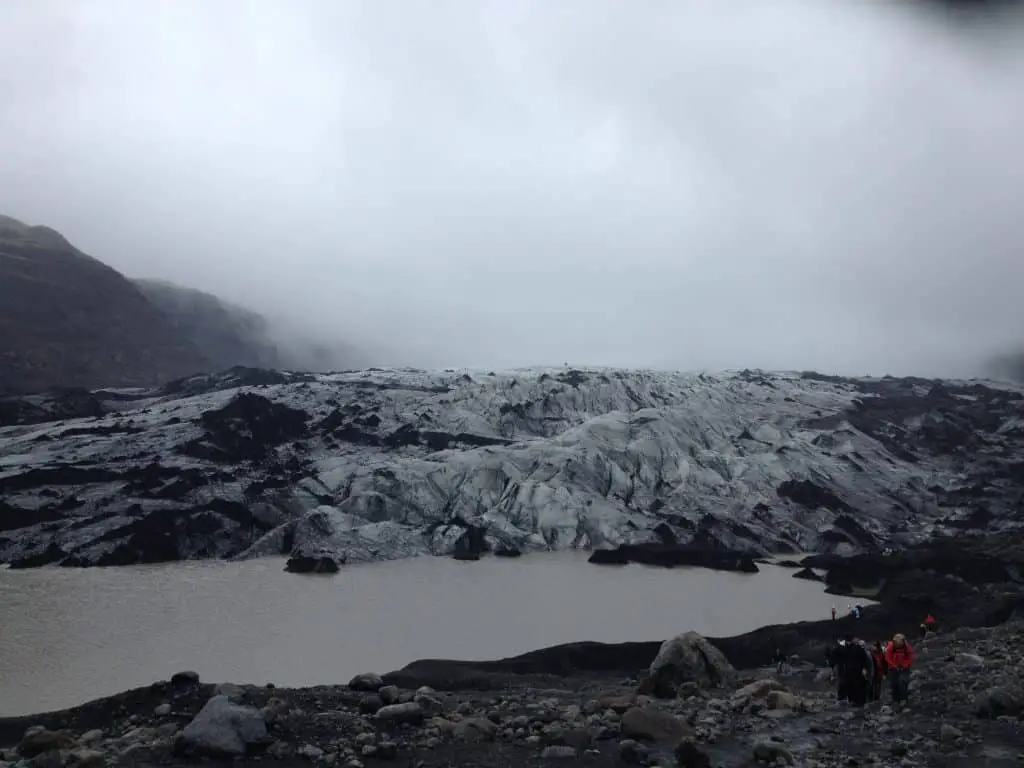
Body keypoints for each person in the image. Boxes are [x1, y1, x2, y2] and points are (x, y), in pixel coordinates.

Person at [836, 634, 871, 708]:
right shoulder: (845, 649)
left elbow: (864, 659)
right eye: (847, 641)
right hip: (849, 671)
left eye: (849, 641)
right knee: (850, 686)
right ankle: (852, 701)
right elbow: (842, 660)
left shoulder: (858, 648)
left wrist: (864, 668)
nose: (848, 642)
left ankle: (860, 702)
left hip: (858, 671)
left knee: (859, 686)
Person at [885, 633, 915, 709]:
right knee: (894, 684)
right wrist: (895, 666)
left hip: (904, 668)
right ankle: (895, 700)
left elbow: (910, 657)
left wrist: (904, 665)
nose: (898, 645)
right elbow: (888, 658)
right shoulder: (891, 647)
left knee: (902, 682)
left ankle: (904, 698)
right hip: (893, 668)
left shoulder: (907, 647)